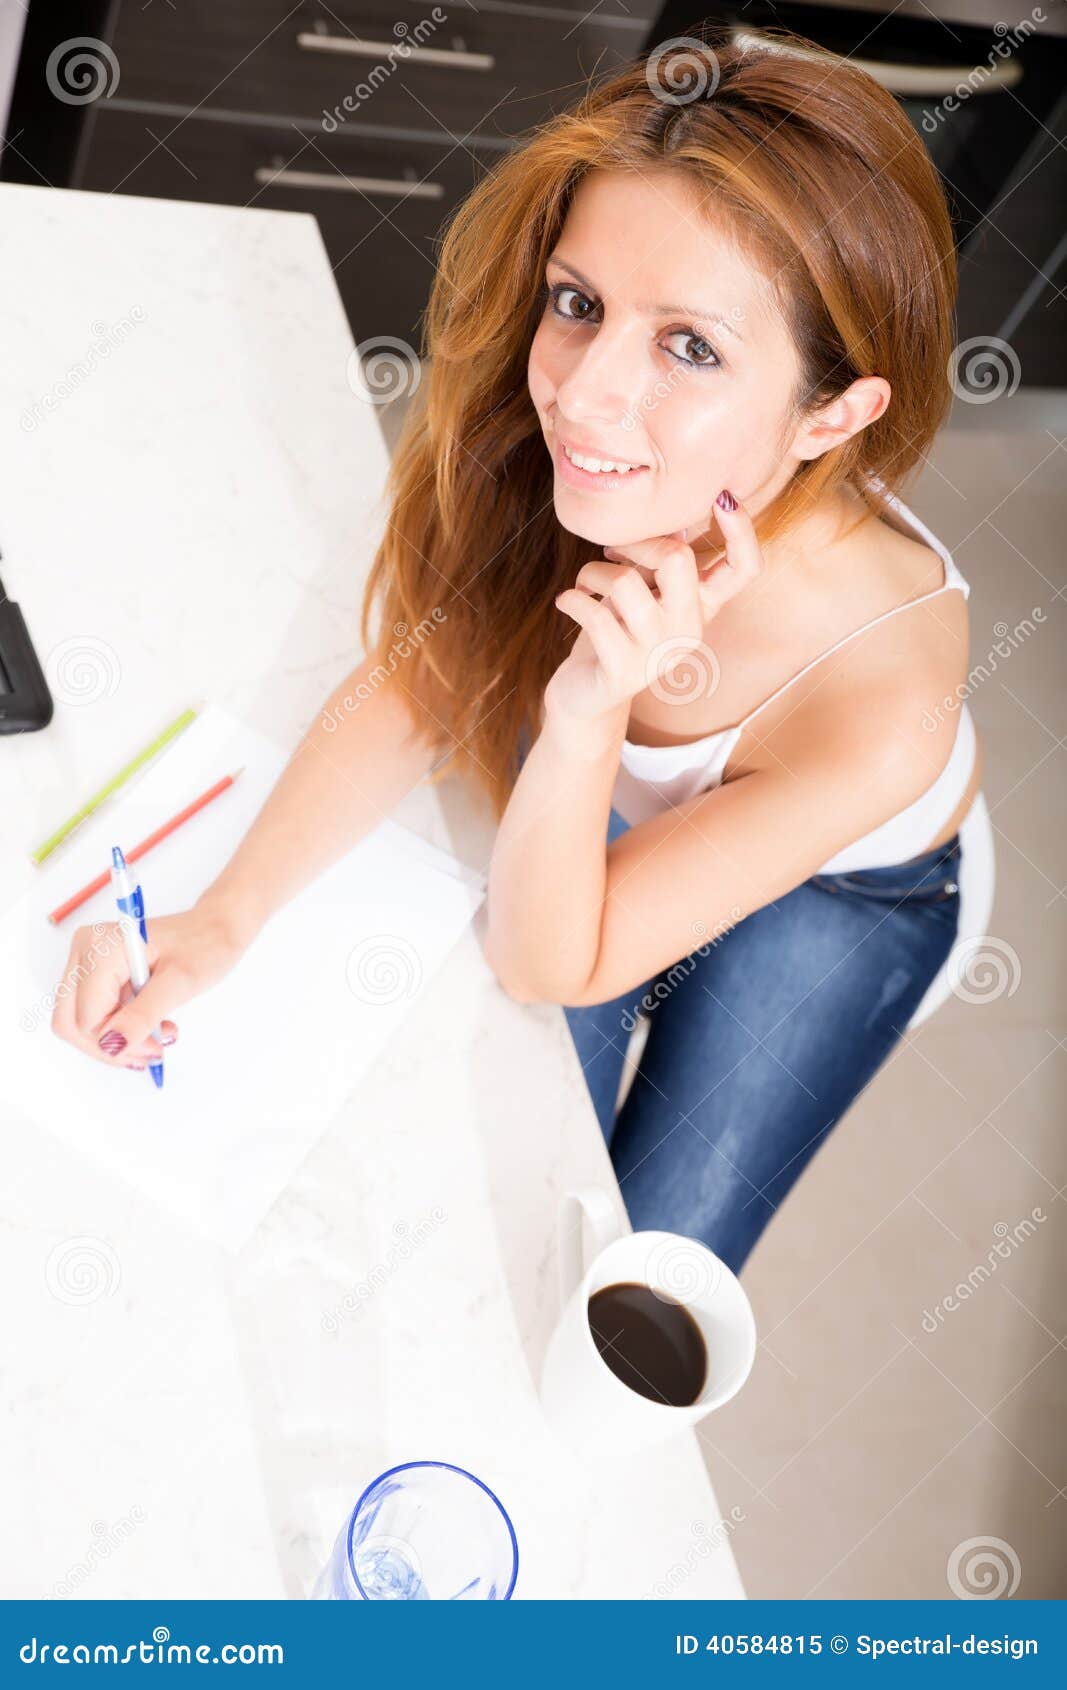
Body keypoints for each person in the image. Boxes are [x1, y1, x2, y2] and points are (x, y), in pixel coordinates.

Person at [52, 32, 993, 1273]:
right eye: (579, 302)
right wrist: (224, 919)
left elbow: (552, 961)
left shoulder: (883, 699)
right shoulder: (548, 440)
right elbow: (422, 679)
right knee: (513, 1160)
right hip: (602, 783)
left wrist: (590, 714)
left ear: (833, 413)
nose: (582, 393)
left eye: (690, 347)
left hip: (849, 892)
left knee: (633, 1271)